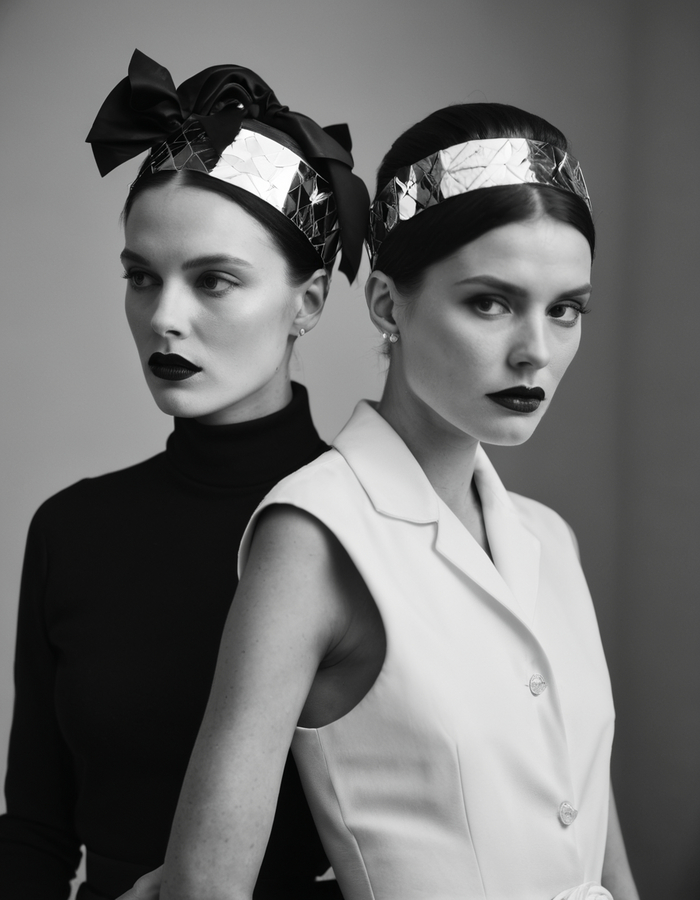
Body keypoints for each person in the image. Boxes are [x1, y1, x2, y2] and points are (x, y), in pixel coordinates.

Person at [149, 101, 641, 900]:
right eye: (490, 302)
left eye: (565, 309)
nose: (536, 352)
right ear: (386, 304)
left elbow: (592, 836)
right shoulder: (313, 536)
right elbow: (205, 886)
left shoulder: (550, 540)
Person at [0, 49, 368, 900]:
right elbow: (35, 833)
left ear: (309, 302)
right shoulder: (73, 530)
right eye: (141, 277)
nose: (164, 317)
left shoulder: (373, 523)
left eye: (213, 281)